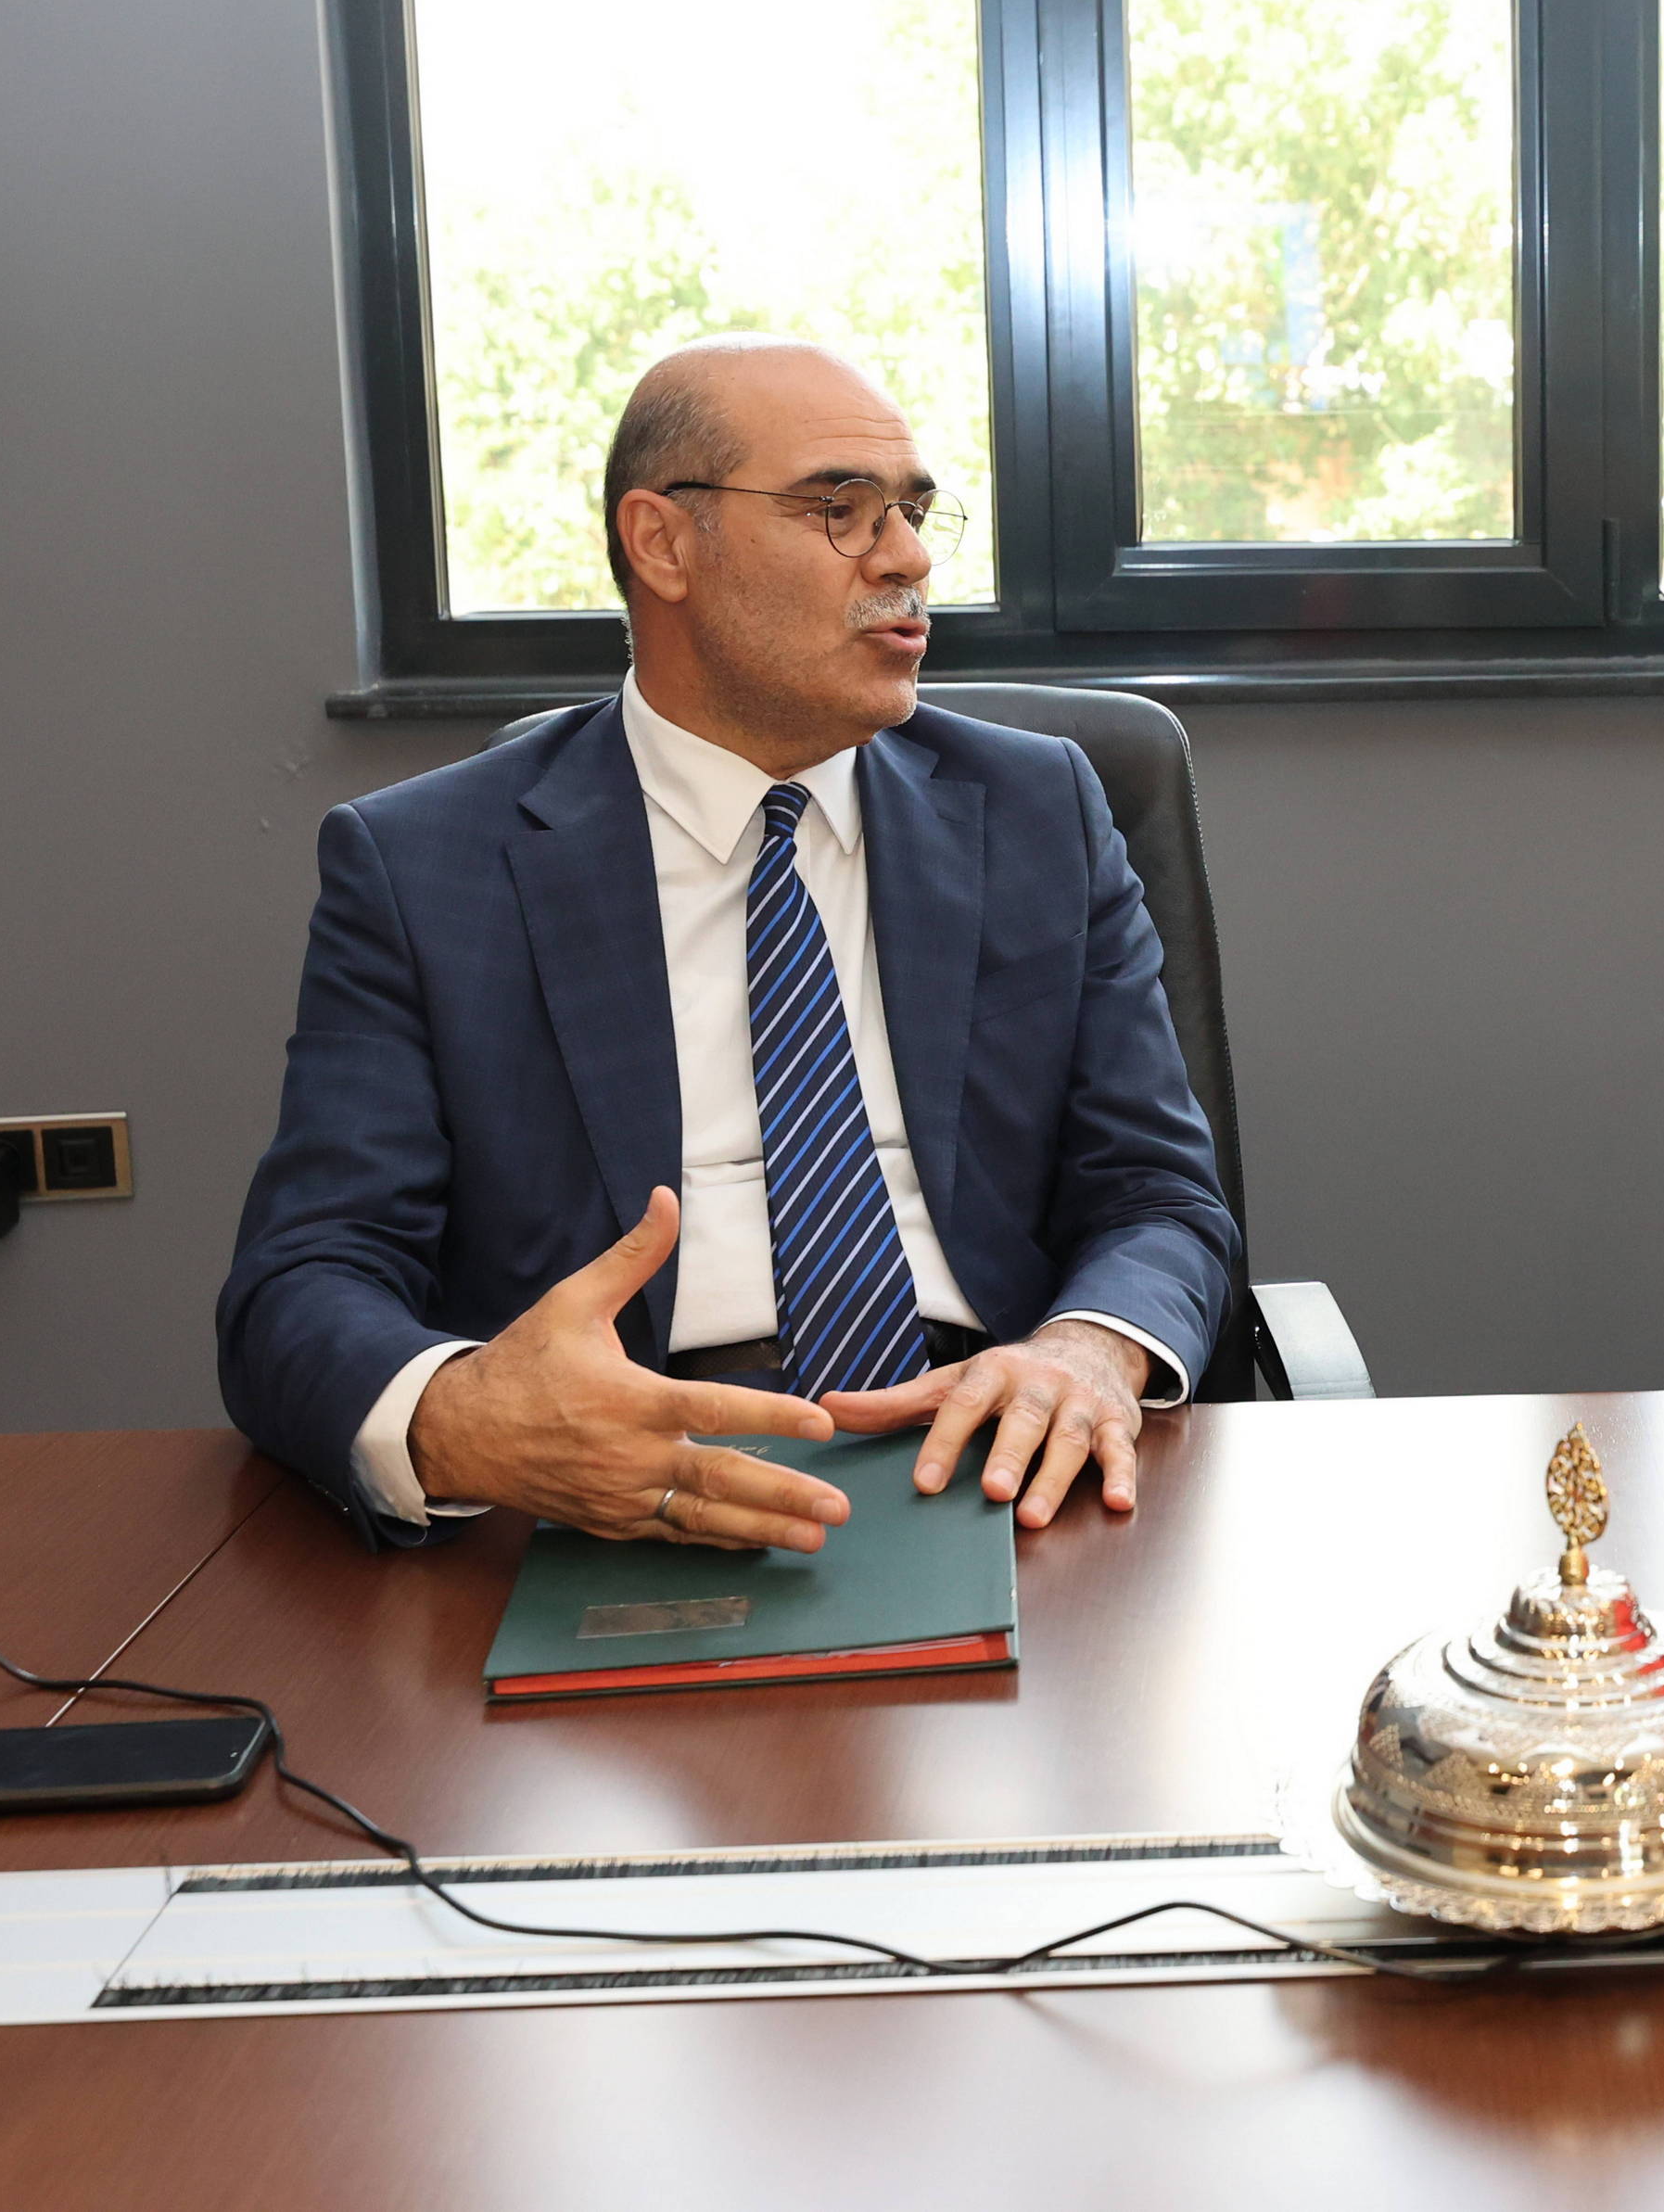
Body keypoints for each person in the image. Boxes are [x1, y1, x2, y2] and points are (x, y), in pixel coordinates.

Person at [221, 336, 1238, 1551]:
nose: (908, 559)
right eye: (839, 509)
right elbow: (302, 1281)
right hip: (622, 1485)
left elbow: (1158, 1194)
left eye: (912, 512)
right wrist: (465, 1418)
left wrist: (1090, 1348)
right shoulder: (424, 867)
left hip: (995, 1454)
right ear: (662, 543)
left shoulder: (1038, 810)